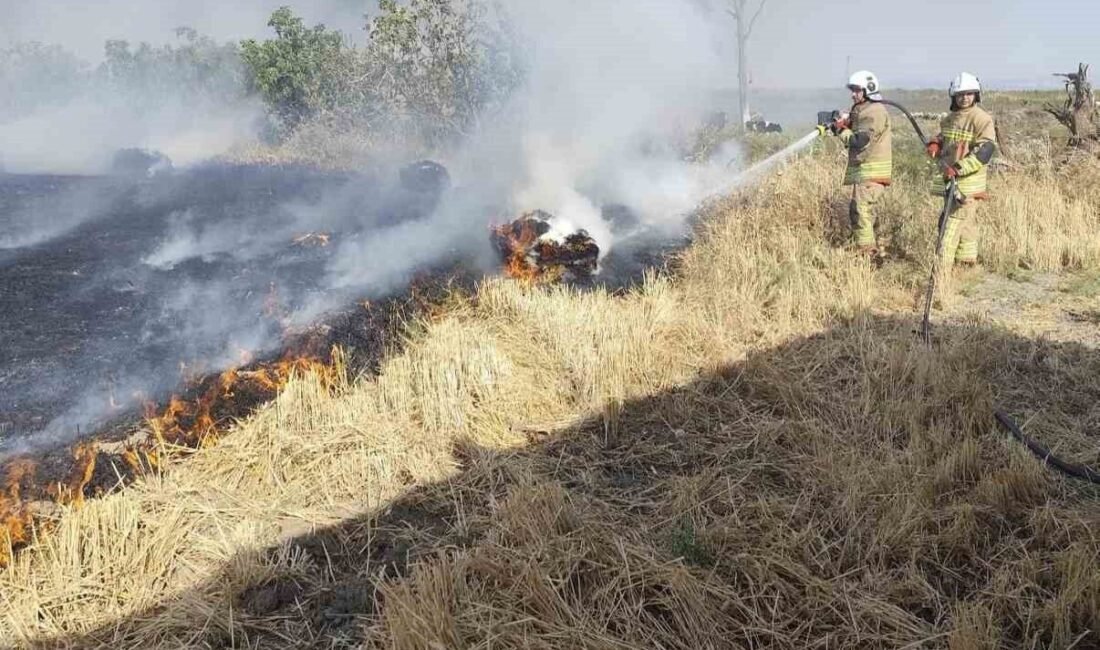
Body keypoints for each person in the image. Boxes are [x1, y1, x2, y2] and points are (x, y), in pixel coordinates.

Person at [926, 72, 997, 270]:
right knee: (966, 225)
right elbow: (946, 138)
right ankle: (966, 266)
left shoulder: (981, 119)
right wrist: (936, 143)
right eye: (960, 94)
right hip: (950, 180)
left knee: (949, 228)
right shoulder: (950, 119)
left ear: (976, 95)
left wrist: (957, 169)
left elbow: (984, 151)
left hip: (967, 184)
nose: (964, 98)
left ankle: (941, 272)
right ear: (953, 96)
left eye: (969, 94)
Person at [822, 70, 893, 256]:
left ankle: (867, 253)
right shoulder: (863, 109)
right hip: (866, 171)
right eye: (852, 90)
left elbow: (860, 141)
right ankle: (872, 246)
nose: (853, 94)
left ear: (868, 89)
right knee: (860, 209)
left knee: (861, 210)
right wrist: (841, 121)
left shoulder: (874, 112)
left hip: (872, 171)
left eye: (856, 90)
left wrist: (840, 131)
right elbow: (855, 124)